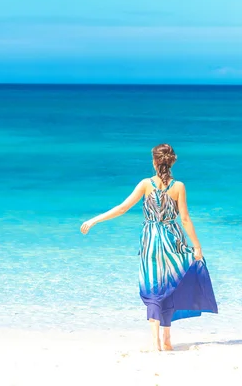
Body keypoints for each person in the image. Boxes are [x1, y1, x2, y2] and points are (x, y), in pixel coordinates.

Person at [80, 143, 218, 351]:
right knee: (170, 284)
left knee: (153, 286)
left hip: (151, 242)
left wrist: (94, 220)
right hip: (173, 240)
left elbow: (123, 208)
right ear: (171, 162)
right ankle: (168, 339)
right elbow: (186, 219)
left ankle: (155, 343)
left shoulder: (146, 184)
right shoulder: (179, 186)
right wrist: (197, 247)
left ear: (154, 162)